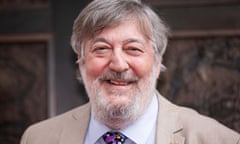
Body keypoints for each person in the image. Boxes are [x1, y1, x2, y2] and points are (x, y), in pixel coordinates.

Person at [21, 0, 240, 143]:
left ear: (157, 61)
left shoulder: (217, 139)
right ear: (81, 60)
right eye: (102, 49)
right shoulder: (38, 138)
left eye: (133, 49)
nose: (118, 64)